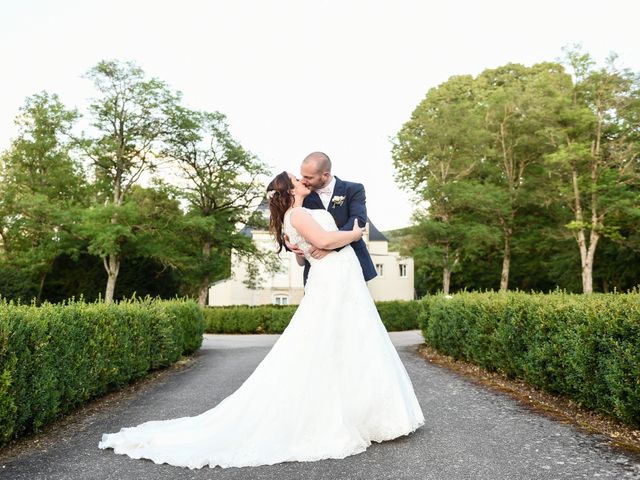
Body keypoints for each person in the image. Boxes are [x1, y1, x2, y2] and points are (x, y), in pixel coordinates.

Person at [98, 171, 424, 470]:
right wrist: (353, 234)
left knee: (348, 342)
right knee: (326, 343)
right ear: (290, 190)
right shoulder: (297, 213)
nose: (302, 180)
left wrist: (311, 246)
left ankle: (363, 412)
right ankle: (335, 416)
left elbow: (304, 250)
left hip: (341, 280)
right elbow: (323, 243)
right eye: (297, 179)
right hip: (332, 283)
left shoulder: (297, 214)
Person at [286, 151, 377, 285]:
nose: (303, 181)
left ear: (325, 175)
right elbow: (290, 220)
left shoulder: (353, 189)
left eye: (308, 177)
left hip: (352, 262)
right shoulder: (302, 194)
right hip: (318, 266)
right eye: (302, 175)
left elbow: (358, 221)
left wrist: (328, 245)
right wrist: (288, 242)